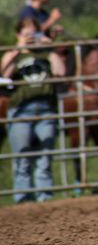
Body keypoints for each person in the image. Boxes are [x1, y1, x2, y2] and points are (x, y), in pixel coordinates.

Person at [1, 17, 65, 203]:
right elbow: (3, 73)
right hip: (21, 110)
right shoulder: (14, 54)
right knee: (22, 157)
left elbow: (60, 73)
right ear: (18, 34)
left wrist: (49, 48)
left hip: (46, 110)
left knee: (45, 157)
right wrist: (19, 48)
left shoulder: (46, 54)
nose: (29, 36)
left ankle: (44, 198)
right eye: (25, 33)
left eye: (33, 32)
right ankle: (23, 199)